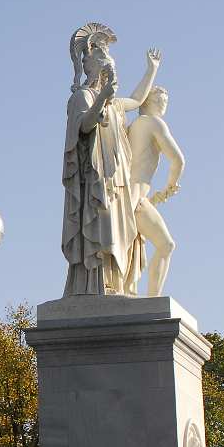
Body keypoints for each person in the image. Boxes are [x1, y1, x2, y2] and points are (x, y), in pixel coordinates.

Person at [62, 22, 161, 295]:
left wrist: (151, 70)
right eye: (104, 66)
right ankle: (93, 285)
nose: (108, 73)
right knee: (99, 229)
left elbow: (139, 99)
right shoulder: (83, 97)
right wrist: (102, 99)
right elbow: (83, 126)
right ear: (90, 67)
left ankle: (114, 284)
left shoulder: (116, 105)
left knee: (117, 231)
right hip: (94, 179)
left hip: (115, 178)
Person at [127, 86, 184, 296]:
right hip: (136, 198)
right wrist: (170, 186)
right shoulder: (154, 123)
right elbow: (178, 161)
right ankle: (153, 301)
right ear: (147, 102)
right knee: (165, 244)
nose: (165, 103)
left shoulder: (133, 126)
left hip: (128, 197)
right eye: (161, 99)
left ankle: (149, 300)